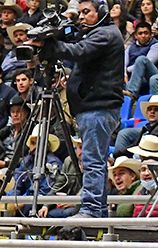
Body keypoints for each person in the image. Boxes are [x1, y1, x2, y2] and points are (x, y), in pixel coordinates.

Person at [39, 0, 124, 219]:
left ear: (102, 13)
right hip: (95, 108)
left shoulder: (105, 34)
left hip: (98, 108)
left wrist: (50, 46)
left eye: (87, 12)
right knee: (95, 161)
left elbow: (79, 51)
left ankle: (91, 210)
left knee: (92, 161)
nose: (82, 17)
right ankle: (99, 209)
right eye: (81, 12)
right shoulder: (99, 33)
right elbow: (79, 44)